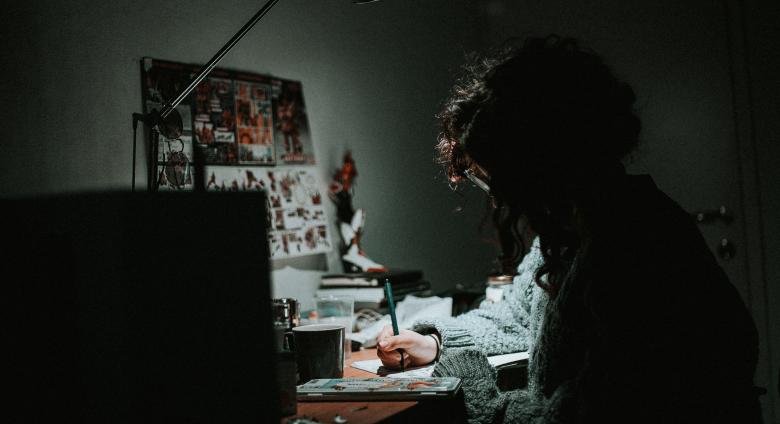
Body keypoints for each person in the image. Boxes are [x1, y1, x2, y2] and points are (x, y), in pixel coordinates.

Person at [376, 35, 762, 423]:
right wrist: (435, 342)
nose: (498, 200)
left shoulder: (633, 251)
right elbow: (516, 316)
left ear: (542, 163)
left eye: (496, 180)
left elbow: (569, 418)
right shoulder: (572, 229)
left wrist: (471, 385)